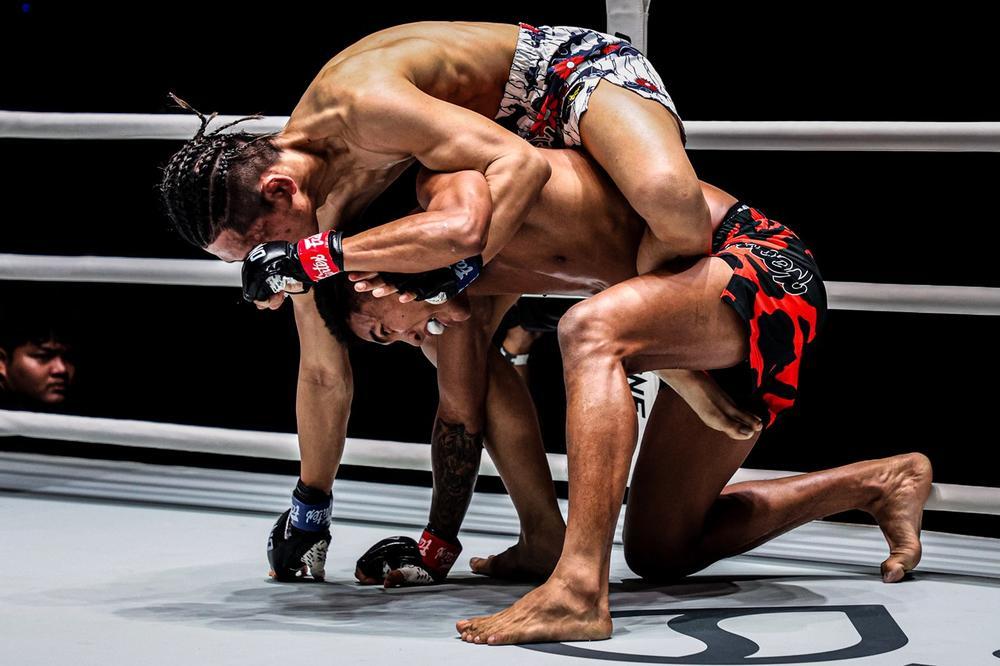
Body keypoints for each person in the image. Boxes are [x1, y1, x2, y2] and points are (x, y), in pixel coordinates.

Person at [159, 21, 711, 584]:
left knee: (670, 202)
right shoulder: (314, 224)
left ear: (279, 189)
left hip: (561, 82)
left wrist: (451, 274)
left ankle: (677, 352)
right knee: (458, 349)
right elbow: (323, 372)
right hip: (481, 163)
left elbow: (523, 165)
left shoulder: (361, 105)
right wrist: (310, 511)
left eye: (262, 248)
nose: (271, 269)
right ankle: (542, 534)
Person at [314, 147, 932, 644]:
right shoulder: (456, 293)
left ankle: (580, 590)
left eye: (381, 331)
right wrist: (435, 547)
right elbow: (461, 412)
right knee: (662, 550)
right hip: (691, 308)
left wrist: (688, 380)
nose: (404, 339)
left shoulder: (465, 200)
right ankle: (880, 482)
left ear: (370, 281)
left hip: (756, 263)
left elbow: (636, 250)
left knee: (588, 329)